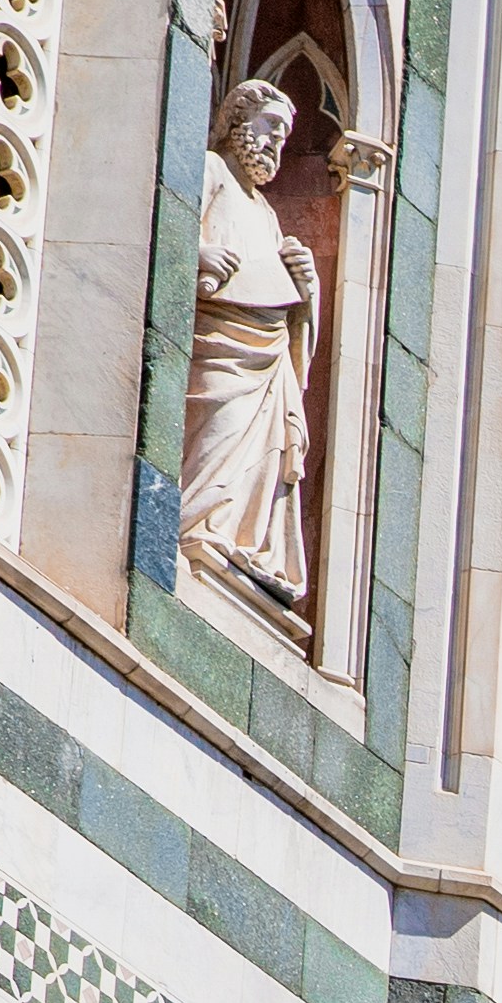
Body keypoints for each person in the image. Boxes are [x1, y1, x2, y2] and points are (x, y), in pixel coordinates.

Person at [177, 77, 319, 617]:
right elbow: (167, 223)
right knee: (219, 434)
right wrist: (199, 255)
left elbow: (282, 295)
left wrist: (306, 290)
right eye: (270, 128)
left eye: (285, 135)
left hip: (266, 350)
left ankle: (241, 540)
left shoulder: (267, 213)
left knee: (265, 450)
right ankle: (197, 525)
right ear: (240, 122)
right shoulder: (212, 172)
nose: (276, 143)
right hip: (218, 344)